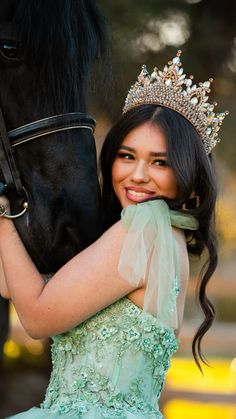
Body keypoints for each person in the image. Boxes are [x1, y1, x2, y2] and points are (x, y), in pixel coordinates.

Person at [0, 51, 228, 418]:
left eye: (160, 162)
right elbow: (14, 286)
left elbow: (37, 318)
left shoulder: (145, 228)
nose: (137, 175)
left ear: (188, 173)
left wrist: (3, 215)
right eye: (126, 156)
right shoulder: (166, 236)